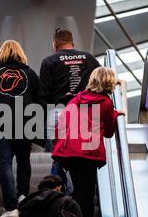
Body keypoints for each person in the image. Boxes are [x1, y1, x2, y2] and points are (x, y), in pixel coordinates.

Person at [52, 67, 125, 217]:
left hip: (68, 153)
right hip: (87, 155)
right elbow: (109, 132)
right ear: (109, 83)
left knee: (78, 194)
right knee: (85, 201)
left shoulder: (75, 100)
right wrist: (113, 114)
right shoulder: (105, 103)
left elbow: (60, 125)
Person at [0, 40, 39, 217]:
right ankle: (23, 198)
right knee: (23, 160)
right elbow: (40, 97)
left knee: (4, 163)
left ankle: (11, 208)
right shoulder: (29, 74)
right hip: (25, 120)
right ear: (21, 53)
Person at [38, 27, 101, 194]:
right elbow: (101, 81)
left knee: (57, 155)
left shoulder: (49, 61)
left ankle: (57, 192)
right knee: (81, 156)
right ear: (72, 43)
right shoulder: (88, 58)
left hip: (57, 113)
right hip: (84, 113)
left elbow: (43, 94)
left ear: (55, 45)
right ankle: (77, 193)